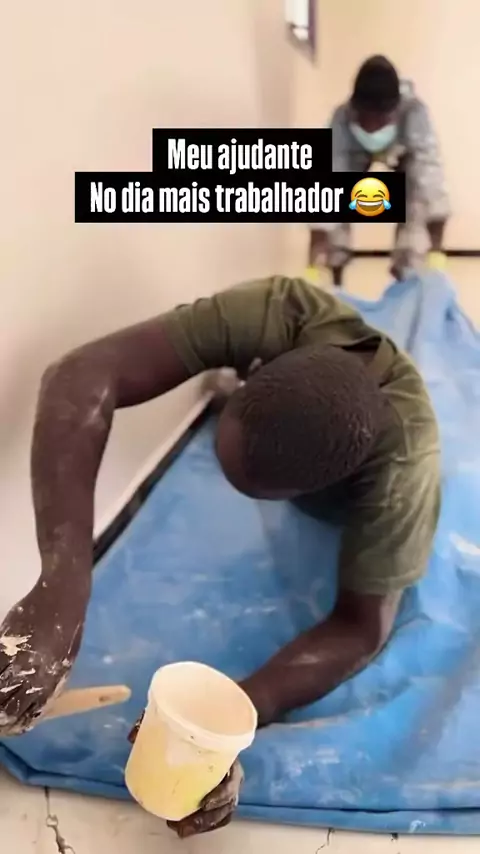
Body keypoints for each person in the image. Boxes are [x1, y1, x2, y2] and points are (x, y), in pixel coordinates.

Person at [0, 276, 440, 836]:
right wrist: (62, 587)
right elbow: (79, 376)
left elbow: (360, 628)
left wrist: (225, 725)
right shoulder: (283, 310)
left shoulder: (403, 475)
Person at [307, 55, 450, 287]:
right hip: (354, 152)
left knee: (417, 202)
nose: (373, 127)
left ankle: (406, 278)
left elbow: (431, 182)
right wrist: (313, 267)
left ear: (394, 111)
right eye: (365, 119)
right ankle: (335, 279)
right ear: (355, 110)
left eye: (380, 120)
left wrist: (436, 252)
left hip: (404, 153)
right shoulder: (342, 119)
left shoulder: (414, 114)